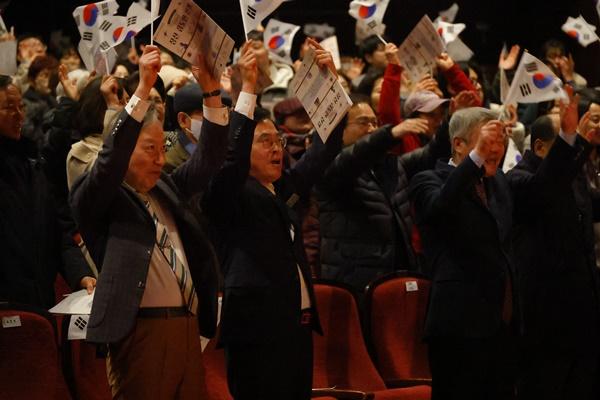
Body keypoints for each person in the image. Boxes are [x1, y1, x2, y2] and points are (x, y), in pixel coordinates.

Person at [70, 45, 228, 399]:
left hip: (188, 328)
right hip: (141, 331)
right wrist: (142, 87)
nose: (160, 159)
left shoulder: (166, 190)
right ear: (127, 150)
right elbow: (111, 158)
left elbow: (211, 156)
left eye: (163, 148)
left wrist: (212, 91)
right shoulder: (98, 196)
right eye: (149, 149)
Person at [409, 92, 582, 399]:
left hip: (503, 325)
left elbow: (544, 189)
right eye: (486, 142)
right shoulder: (428, 179)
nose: (495, 149)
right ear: (459, 144)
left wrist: (568, 137)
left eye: (499, 142)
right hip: (459, 326)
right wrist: (475, 161)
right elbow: (440, 208)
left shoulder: (499, 181)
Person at [203, 39, 343, 399]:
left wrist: (332, 84)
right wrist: (247, 89)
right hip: (256, 327)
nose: (276, 148)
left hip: (294, 325)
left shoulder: (282, 188)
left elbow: (326, 149)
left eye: (278, 141)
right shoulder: (228, 192)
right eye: (265, 141)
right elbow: (232, 159)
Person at [509, 111, 600, 400]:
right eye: (565, 139)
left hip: (582, 310)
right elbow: (546, 188)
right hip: (545, 319)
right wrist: (580, 141)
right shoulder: (516, 179)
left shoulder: (575, 178)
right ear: (540, 147)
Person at [0, 74, 95, 308]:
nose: (19, 114)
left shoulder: (33, 167)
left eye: (20, 106)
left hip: (38, 304)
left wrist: (80, 274)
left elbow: (58, 230)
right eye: (8, 107)